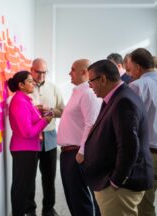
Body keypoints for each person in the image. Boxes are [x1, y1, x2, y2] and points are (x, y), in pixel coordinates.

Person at [83, 59, 153, 216]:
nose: (90, 86)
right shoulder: (116, 98)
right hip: (114, 183)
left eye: (91, 81)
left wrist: (116, 181)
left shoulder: (124, 101)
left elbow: (129, 146)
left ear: (103, 79)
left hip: (120, 188)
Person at [127, 48, 157, 216]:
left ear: (138, 67)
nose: (129, 73)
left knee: (143, 206)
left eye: (130, 68)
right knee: (146, 201)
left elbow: (129, 125)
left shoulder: (136, 86)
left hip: (144, 156)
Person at [57, 59, 101, 216]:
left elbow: (91, 124)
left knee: (80, 201)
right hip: (68, 153)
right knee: (73, 199)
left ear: (84, 72)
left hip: (77, 153)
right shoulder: (78, 92)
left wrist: (82, 152)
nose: (70, 72)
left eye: (73, 69)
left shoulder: (88, 93)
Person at [8, 71, 52, 216]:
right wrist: (45, 121)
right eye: (29, 81)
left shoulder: (25, 99)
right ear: (21, 85)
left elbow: (30, 121)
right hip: (23, 150)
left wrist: (40, 113)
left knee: (24, 187)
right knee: (21, 189)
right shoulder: (19, 101)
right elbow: (27, 132)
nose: (33, 83)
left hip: (28, 149)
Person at [27, 58, 64, 216]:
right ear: (31, 70)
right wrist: (34, 112)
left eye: (44, 72)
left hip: (49, 137)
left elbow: (62, 111)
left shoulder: (53, 87)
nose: (42, 75)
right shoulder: (25, 87)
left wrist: (48, 112)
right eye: (38, 72)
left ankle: (48, 209)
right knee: (29, 177)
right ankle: (30, 210)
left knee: (49, 177)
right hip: (30, 137)